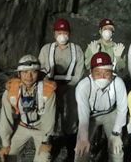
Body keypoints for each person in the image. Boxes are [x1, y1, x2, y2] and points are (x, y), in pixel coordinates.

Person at [38, 18, 85, 160]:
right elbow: (40, 70)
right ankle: (47, 151)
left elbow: (79, 71)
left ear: (69, 33)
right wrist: (49, 85)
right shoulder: (47, 49)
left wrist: (69, 86)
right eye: (59, 32)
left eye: (64, 32)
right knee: (49, 117)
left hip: (69, 88)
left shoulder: (76, 50)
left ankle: (72, 153)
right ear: (54, 34)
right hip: (50, 88)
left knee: (70, 118)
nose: (62, 35)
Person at [0, 55, 56, 162]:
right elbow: (5, 118)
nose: (29, 76)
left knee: (44, 158)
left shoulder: (48, 91)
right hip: (22, 126)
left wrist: (45, 142)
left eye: (33, 72)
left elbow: (49, 118)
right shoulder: (11, 91)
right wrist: (5, 143)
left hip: (41, 128)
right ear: (19, 74)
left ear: (38, 73)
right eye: (25, 72)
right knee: (9, 156)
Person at [74, 52, 127, 162]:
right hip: (90, 116)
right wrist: (83, 138)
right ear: (90, 73)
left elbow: (122, 108)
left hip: (110, 112)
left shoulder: (118, 83)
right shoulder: (83, 86)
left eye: (107, 73)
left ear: (112, 73)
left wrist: (116, 133)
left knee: (116, 147)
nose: (102, 77)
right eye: (98, 73)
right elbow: (83, 114)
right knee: (81, 149)